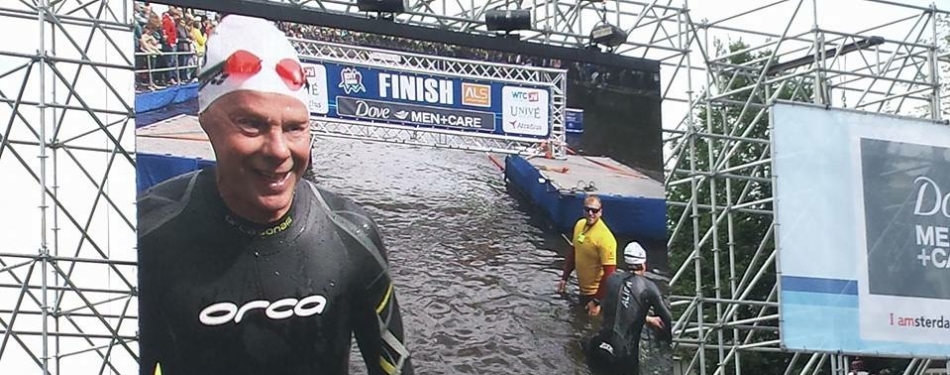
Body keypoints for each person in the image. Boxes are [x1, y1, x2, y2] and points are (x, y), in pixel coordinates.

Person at [137, 15, 413, 375]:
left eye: (295, 128)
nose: (279, 150)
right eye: (252, 124)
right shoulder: (150, 233)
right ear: (206, 122)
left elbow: (395, 368)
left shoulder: (351, 233)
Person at [585, 242, 672, 375]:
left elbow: (618, 310)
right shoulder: (648, 287)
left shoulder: (612, 279)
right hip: (623, 356)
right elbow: (668, 321)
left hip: (599, 346)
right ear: (643, 265)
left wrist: (647, 319)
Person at [557, 195, 618, 315]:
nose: (591, 213)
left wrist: (596, 301)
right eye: (587, 209)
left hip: (597, 294)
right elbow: (573, 253)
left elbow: (610, 274)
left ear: (600, 212)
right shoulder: (579, 225)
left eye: (595, 210)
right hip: (583, 291)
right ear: (583, 210)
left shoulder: (605, 238)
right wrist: (564, 278)